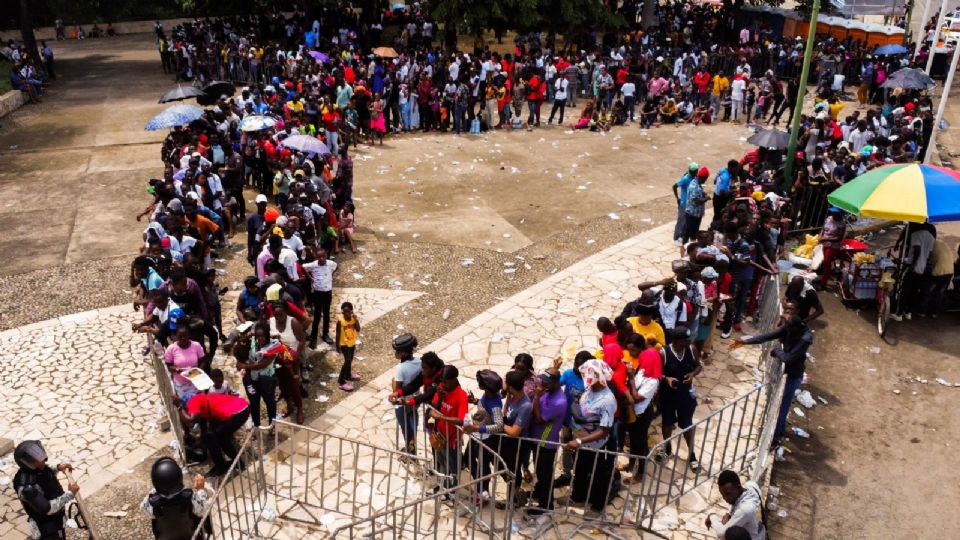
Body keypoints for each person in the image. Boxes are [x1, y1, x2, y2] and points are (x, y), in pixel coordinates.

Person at [731, 312, 813, 446]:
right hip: (784, 371)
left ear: (794, 328)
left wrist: (776, 351)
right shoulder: (789, 326)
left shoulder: (805, 338)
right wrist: (745, 341)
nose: (784, 328)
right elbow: (768, 336)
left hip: (793, 375)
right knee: (777, 404)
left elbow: (789, 358)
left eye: (787, 327)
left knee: (782, 407)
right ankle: (776, 432)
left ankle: (775, 438)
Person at [566, 359, 618, 513]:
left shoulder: (607, 400)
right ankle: (578, 496)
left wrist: (580, 440)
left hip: (595, 446)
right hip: (582, 443)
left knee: (597, 476)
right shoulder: (590, 389)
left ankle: (597, 505)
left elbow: (604, 430)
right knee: (580, 470)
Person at [13, 440, 79, 540]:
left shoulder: (38, 468)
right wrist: (70, 494)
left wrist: (58, 468)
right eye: (37, 460)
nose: (42, 461)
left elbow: (45, 474)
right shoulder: (26, 488)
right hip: (46, 527)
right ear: (27, 463)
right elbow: (47, 508)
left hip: (57, 519)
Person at [658, 327, 702, 470]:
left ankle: (692, 455)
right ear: (676, 340)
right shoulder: (663, 353)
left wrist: (692, 374)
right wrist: (666, 379)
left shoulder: (691, 349)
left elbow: (698, 366)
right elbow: (657, 373)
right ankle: (667, 448)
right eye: (685, 339)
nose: (688, 341)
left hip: (685, 395)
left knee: (687, 426)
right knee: (667, 424)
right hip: (668, 396)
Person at [140, 457, 213, 539]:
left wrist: (155, 491)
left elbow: (143, 509)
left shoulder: (151, 503)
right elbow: (204, 509)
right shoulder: (190, 498)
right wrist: (200, 489)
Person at [180, 392, 250, 477]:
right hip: (242, 407)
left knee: (220, 438)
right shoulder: (201, 399)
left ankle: (227, 465)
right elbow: (203, 426)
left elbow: (190, 421)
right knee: (213, 436)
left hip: (238, 412)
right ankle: (228, 463)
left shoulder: (192, 401)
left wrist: (180, 407)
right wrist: (202, 441)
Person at [527, 368, 567, 515]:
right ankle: (540, 493)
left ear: (556, 382)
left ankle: (546, 505)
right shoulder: (548, 390)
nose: (543, 383)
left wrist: (537, 397)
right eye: (543, 380)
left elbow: (539, 418)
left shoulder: (559, 401)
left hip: (546, 442)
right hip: (536, 438)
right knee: (540, 472)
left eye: (547, 381)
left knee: (545, 474)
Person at [461, 369, 504, 502]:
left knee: (484, 466)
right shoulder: (487, 396)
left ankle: (483, 491)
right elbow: (484, 406)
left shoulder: (495, 404)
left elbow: (499, 425)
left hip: (485, 440)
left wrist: (477, 427)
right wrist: (475, 401)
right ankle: (480, 485)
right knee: (468, 459)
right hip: (476, 436)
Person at [428, 366, 469, 492]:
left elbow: (462, 420)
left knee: (453, 466)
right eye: (442, 381)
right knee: (441, 462)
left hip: (452, 440)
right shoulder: (442, 388)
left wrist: (442, 417)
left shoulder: (461, 395)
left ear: (453, 380)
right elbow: (433, 407)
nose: (443, 384)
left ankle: (451, 491)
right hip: (439, 436)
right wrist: (439, 398)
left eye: (445, 381)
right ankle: (443, 486)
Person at [236, 321, 278, 429]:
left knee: (270, 403)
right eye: (258, 336)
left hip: (266, 379)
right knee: (254, 404)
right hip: (251, 379)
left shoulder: (274, 345)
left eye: (263, 335)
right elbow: (238, 349)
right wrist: (245, 338)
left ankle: (272, 426)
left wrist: (244, 366)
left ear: (267, 334)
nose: (261, 338)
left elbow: (262, 364)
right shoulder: (252, 342)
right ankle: (256, 426)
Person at [705, 470, 766, 540]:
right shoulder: (751, 486)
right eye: (723, 495)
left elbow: (722, 534)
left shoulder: (745, 509)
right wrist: (729, 515)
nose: (725, 498)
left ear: (738, 486)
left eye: (728, 494)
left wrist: (712, 516)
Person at [389, 333, 421, 453]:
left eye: (397, 351)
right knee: (413, 422)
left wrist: (393, 382)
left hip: (402, 403)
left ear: (403, 353)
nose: (395, 354)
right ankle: (413, 443)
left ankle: (410, 451)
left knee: (405, 427)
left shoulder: (401, 368)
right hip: (415, 400)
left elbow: (397, 391)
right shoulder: (419, 362)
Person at [302, 247, 337, 347]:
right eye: (319, 257)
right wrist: (310, 278)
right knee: (317, 316)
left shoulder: (330, 263)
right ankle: (314, 337)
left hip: (328, 293)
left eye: (323, 256)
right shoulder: (313, 265)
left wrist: (331, 276)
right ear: (316, 257)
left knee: (326, 314)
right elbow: (302, 267)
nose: (322, 259)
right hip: (317, 293)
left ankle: (325, 334)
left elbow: (336, 266)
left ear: (326, 256)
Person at [921, 238, 954, 318]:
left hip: (939, 271)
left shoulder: (929, 244)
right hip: (950, 271)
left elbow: (924, 258)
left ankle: (922, 311)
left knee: (927, 291)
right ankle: (933, 313)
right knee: (939, 293)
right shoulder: (941, 243)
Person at [335, 301, 362, 390]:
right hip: (344, 344)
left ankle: (348, 375)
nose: (347, 314)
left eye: (349, 312)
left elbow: (358, 329)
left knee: (350, 359)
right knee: (347, 360)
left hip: (352, 343)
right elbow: (338, 334)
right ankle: (341, 381)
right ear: (342, 312)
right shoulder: (340, 321)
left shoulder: (353, 319)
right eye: (345, 312)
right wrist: (337, 345)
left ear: (351, 311)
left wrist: (356, 319)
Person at [817, 207, 846, 288]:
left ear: (839, 215)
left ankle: (823, 284)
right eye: (832, 213)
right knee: (821, 261)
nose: (833, 215)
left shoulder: (841, 224)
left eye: (835, 213)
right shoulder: (829, 218)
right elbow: (823, 229)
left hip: (833, 246)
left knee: (827, 263)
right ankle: (821, 277)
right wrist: (820, 236)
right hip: (824, 243)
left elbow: (839, 238)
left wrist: (825, 239)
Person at [672, 163, 698, 244]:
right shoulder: (686, 178)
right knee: (681, 221)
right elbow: (674, 186)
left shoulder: (694, 177)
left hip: (689, 204)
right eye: (695, 171)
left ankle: (682, 236)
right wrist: (677, 198)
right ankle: (676, 238)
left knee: (686, 222)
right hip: (684, 203)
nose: (696, 172)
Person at [683, 166, 710, 244]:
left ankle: (692, 245)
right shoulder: (695, 186)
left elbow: (697, 195)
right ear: (702, 177)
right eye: (705, 179)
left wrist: (703, 193)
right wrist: (706, 198)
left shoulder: (696, 183)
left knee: (694, 232)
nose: (705, 180)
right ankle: (684, 247)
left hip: (696, 214)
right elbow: (696, 202)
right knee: (688, 232)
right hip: (692, 214)